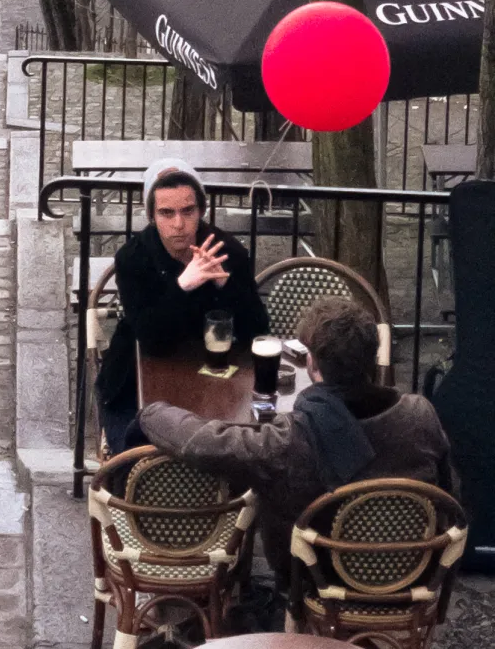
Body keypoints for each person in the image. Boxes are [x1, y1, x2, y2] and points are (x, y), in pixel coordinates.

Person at [139, 297, 453, 605]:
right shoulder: (420, 415)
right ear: (373, 358)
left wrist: (150, 412)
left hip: (317, 583)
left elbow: (205, 442)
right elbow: (447, 495)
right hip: (412, 576)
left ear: (312, 363)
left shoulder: (291, 438)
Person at [96, 159, 270, 450]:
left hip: (213, 381)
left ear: (201, 211)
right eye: (167, 213)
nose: (178, 224)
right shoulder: (133, 258)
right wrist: (183, 285)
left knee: (238, 450)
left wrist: (226, 286)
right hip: (136, 380)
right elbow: (152, 340)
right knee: (140, 455)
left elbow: (258, 332)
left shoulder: (227, 252)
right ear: (151, 216)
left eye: (188, 211)